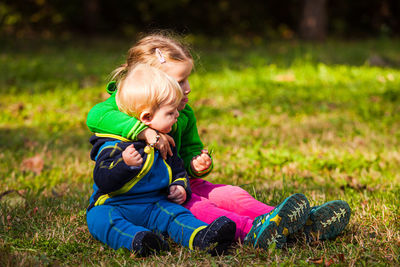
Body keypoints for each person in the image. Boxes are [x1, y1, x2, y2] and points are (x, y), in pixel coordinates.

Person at [86, 32, 351, 249]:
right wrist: (145, 132)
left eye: (188, 78)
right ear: (151, 84)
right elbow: (95, 115)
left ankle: (283, 218)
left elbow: (187, 153)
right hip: (157, 192)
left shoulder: (184, 114)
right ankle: (252, 230)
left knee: (230, 193)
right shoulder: (121, 108)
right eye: (180, 81)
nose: (188, 88)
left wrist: (197, 162)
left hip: (182, 180)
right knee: (202, 208)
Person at [86, 64, 237, 256]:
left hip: (155, 204)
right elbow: (103, 180)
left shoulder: (167, 143)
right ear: (147, 117)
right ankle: (138, 240)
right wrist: (125, 164)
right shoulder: (114, 146)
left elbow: (178, 170)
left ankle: (202, 237)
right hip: (116, 205)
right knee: (101, 220)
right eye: (170, 112)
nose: (177, 116)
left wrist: (180, 187)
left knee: (177, 215)